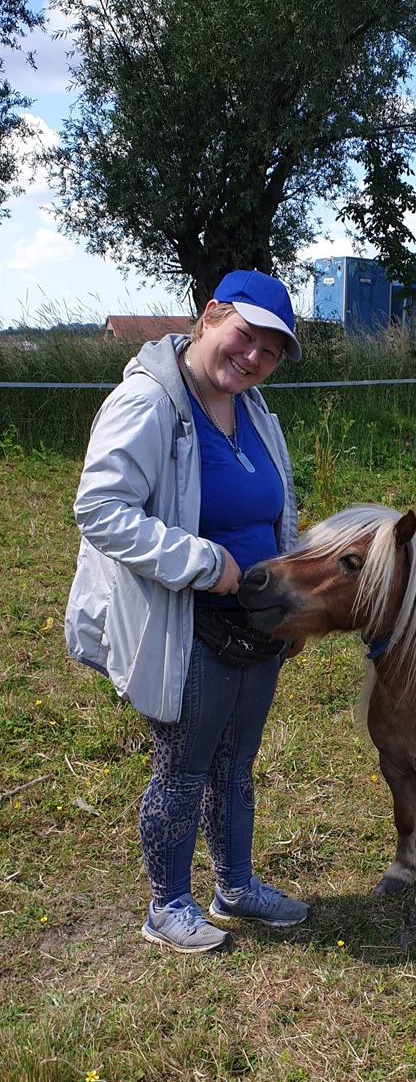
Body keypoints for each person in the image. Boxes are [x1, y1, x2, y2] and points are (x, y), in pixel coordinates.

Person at [65, 269, 309, 954]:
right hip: (188, 623)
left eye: (271, 351)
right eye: (246, 337)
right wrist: (204, 562)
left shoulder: (254, 409)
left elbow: (277, 506)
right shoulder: (149, 403)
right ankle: (167, 905)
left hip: (254, 623)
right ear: (209, 317)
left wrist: (285, 600)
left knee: (237, 764)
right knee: (185, 764)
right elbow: (101, 511)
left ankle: (235, 886)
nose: (254, 357)